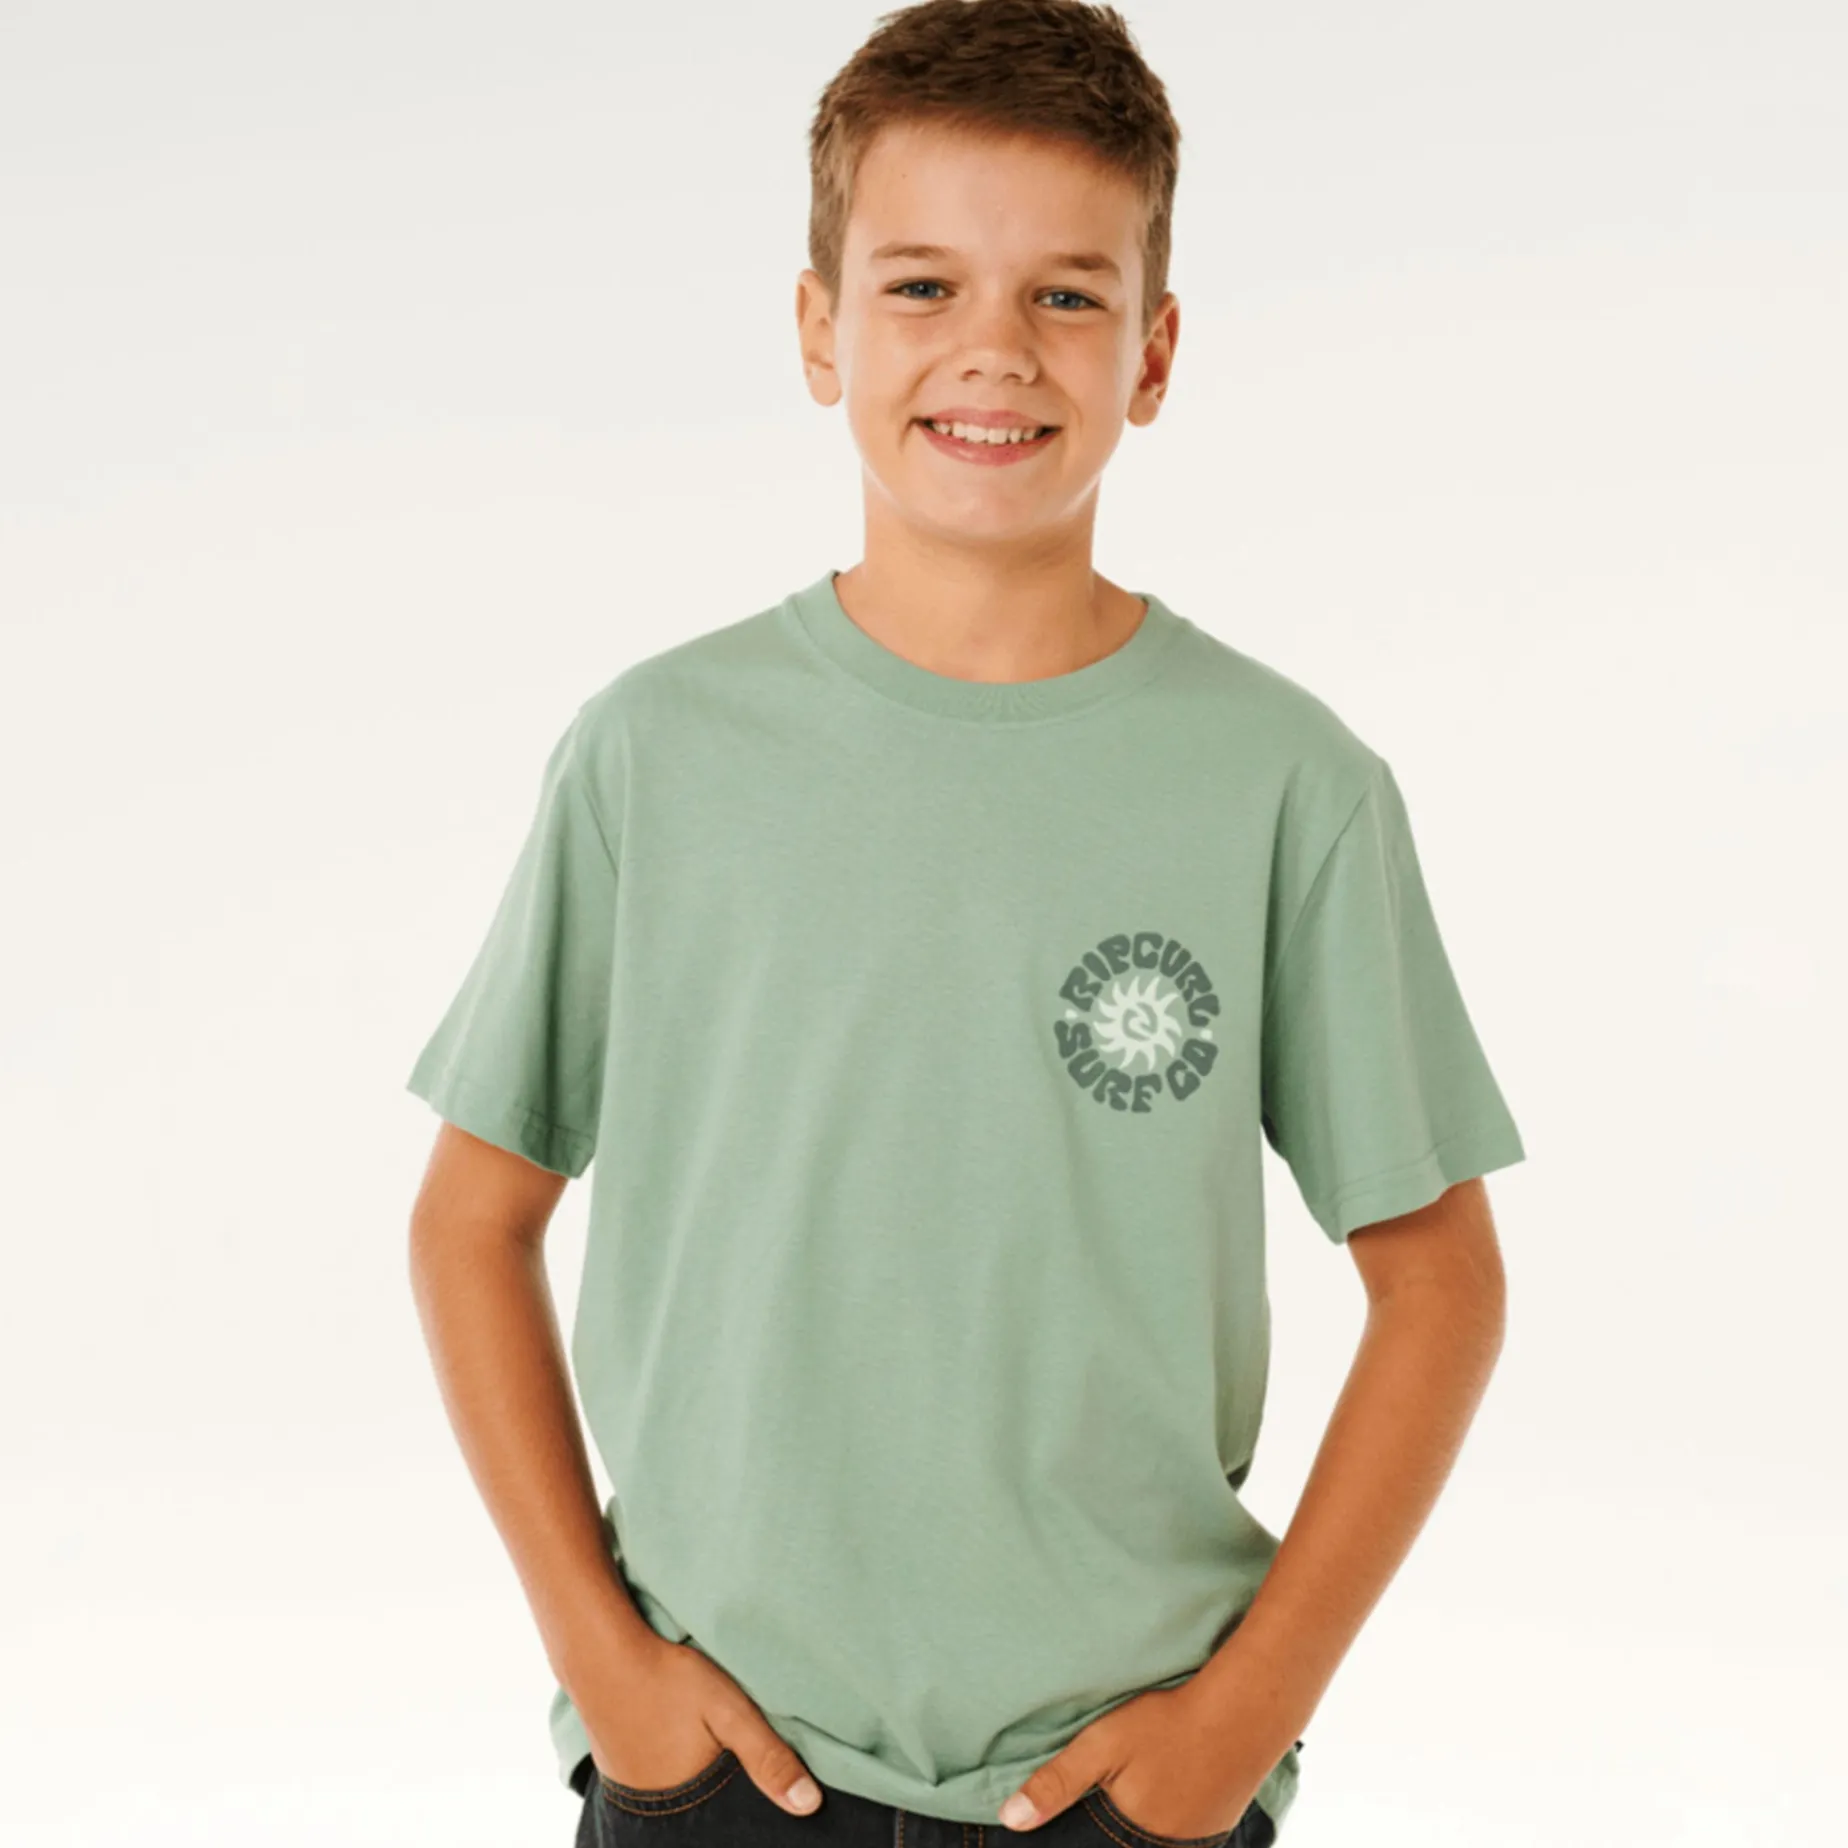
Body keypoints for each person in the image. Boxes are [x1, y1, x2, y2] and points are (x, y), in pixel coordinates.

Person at [403, 3, 1527, 1844]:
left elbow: (1441, 1283)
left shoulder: (1285, 785)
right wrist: (604, 1666)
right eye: (921, 286)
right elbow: (472, 1218)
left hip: (1118, 1784)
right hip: (715, 1765)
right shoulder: (657, 755)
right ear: (816, 327)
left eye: (1066, 296)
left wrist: (1240, 1721)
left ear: (1153, 353)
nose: (992, 349)